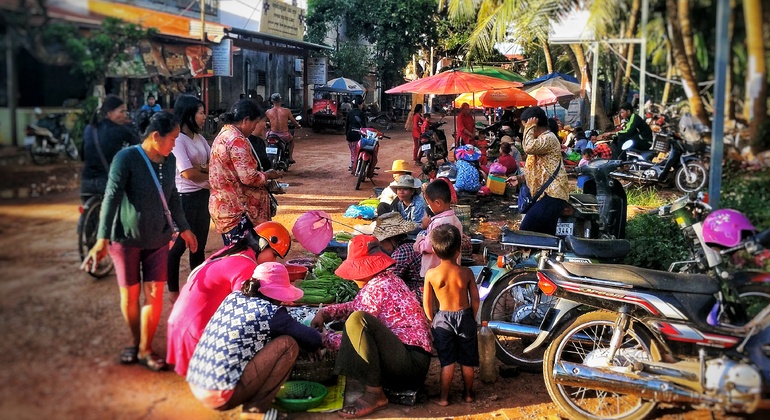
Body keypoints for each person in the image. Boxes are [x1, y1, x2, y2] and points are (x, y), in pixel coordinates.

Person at [80, 112, 198, 372]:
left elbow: (174, 197)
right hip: (125, 239)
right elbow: (111, 198)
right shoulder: (126, 159)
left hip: (158, 237)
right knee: (130, 296)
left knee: (154, 295)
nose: (174, 144)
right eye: (172, 139)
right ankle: (135, 342)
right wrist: (101, 240)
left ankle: (145, 347)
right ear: (156, 137)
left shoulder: (170, 161)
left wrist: (185, 228)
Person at [310, 235, 432, 419]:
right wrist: (327, 312)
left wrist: (321, 338)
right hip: (415, 359)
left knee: (358, 320)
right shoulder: (388, 280)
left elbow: (354, 335)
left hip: (408, 364)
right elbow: (356, 304)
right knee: (357, 317)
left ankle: (374, 394)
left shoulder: (376, 288)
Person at [186, 263, 322, 415]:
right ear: (276, 293)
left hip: (197, 383)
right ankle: (255, 409)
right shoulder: (270, 312)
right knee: (288, 344)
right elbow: (313, 340)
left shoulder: (233, 297)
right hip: (220, 394)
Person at [166, 222, 291, 377]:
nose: (274, 262)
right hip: (193, 336)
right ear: (261, 244)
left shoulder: (235, 250)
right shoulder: (246, 265)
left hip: (180, 327)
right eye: (274, 255)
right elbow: (248, 313)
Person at [209, 99, 283, 245]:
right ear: (246, 120)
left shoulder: (224, 133)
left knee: (236, 255)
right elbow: (248, 177)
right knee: (245, 257)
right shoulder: (237, 139)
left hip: (225, 207)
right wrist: (268, 175)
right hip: (238, 211)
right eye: (255, 124)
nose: (254, 128)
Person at [423, 224, 480, 406]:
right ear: (458, 250)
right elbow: (476, 300)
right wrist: (473, 316)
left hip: (442, 319)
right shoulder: (466, 272)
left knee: (447, 362)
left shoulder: (431, 275)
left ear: (434, 250)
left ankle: (443, 398)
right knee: (467, 361)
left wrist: (432, 320)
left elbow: (427, 302)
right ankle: (469, 394)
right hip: (465, 316)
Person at [167, 95, 211, 303]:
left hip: (202, 197)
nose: (204, 116)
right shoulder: (177, 140)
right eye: (201, 112)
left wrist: (204, 172)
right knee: (179, 247)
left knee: (199, 246)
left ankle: (196, 290)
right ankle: (173, 292)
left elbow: (211, 164)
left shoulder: (200, 139)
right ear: (188, 114)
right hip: (184, 199)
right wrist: (210, 176)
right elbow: (188, 173)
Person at [505, 107, 569, 235]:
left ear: (534, 125)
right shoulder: (541, 140)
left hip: (553, 195)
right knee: (544, 235)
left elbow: (528, 147)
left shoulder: (548, 138)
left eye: (525, 126)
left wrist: (529, 126)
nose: (524, 130)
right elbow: (537, 169)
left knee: (526, 230)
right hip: (546, 195)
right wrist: (520, 178)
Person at [80, 95, 140, 202]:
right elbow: (140, 148)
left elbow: (82, 155)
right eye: (121, 111)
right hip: (107, 184)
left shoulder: (89, 128)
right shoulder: (121, 130)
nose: (125, 115)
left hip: (86, 183)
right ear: (109, 113)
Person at [414, 180, 463, 277]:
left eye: (429, 203)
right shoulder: (455, 219)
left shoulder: (438, 223)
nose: (429, 207)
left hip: (435, 271)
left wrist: (418, 242)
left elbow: (429, 246)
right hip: (452, 271)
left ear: (437, 203)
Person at [374, 212, 422, 299]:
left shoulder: (402, 252)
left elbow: (388, 280)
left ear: (391, 239)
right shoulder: (409, 243)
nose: (382, 246)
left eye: (382, 242)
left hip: (418, 293)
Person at [265, 93, 301, 163]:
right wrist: (298, 126)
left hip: (272, 134)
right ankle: (290, 157)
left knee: (267, 140)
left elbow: (265, 122)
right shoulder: (286, 111)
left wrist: (269, 124)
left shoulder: (268, 112)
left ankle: (267, 155)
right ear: (280, 100)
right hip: (284, 135)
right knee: (291, 140)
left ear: (272, 101)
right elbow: (293, 121)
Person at [345, 95, 368, 172]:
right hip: (357, 135)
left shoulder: (349, 113)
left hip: (350, 135)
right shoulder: (361, 113)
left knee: (353, 151)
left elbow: (347, 125)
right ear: (359, 104)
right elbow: (364, 126)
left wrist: (346, 134)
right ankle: (355, 165)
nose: (362, 105)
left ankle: (352, 164)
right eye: (362, 104)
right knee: (358, 151)